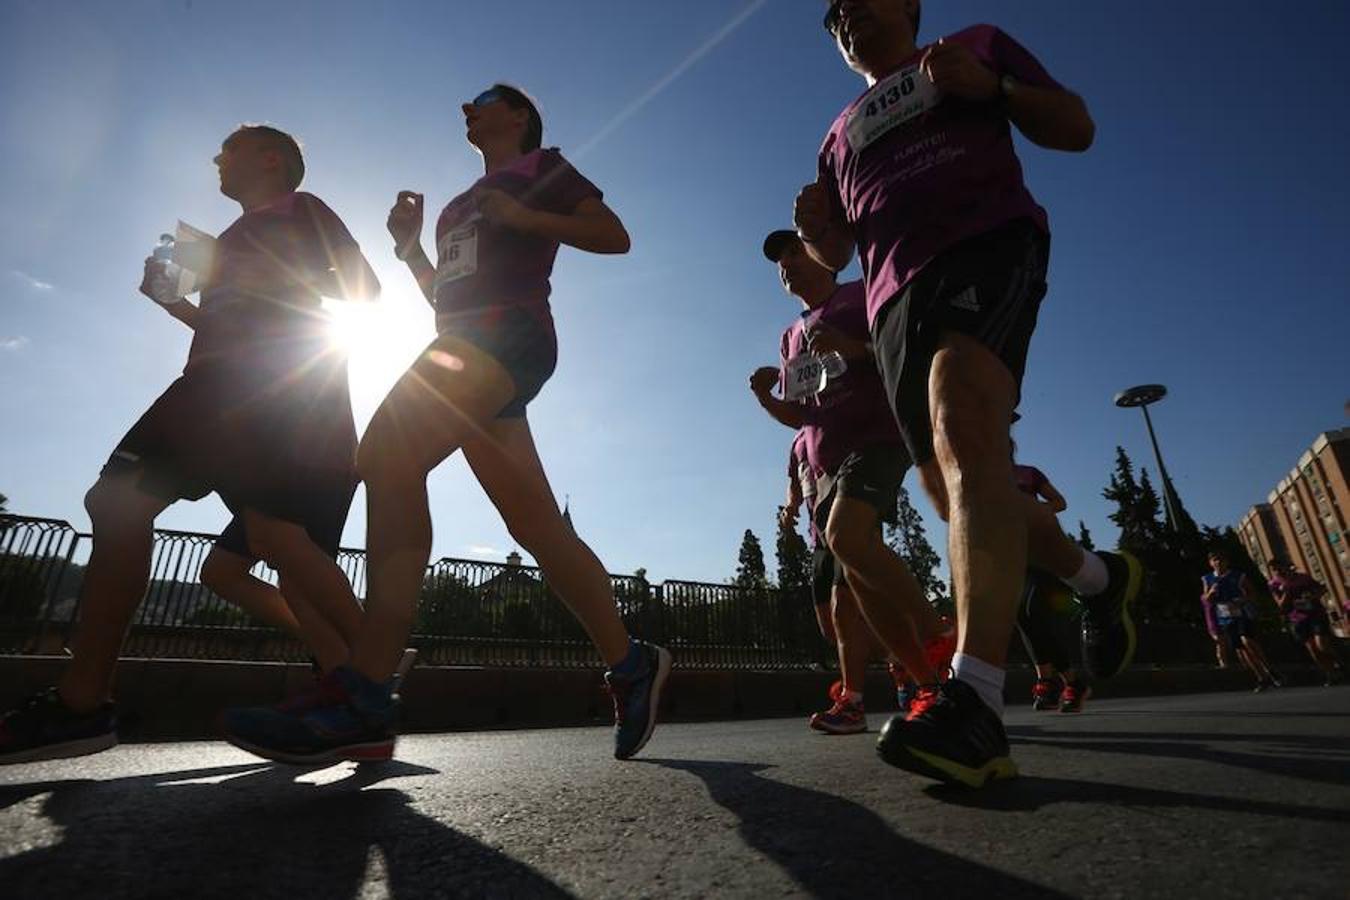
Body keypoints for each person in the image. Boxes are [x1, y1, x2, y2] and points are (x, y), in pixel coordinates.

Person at [221, 84, 669, 763]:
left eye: (485, 99)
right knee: (537, 527)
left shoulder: (544, 168)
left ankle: (365, 691)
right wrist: (408, 250)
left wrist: (524, 213)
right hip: (464, 340)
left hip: (510, 335)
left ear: (519, 114)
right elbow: (445, 300)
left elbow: (614, 237)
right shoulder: (457, 206)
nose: (469, 106)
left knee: (386, 455)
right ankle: (632, 661)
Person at [797, 0, 1139, 787]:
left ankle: (975, 700)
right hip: (893, 305)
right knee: (957, 486)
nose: (847, 13)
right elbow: (838, 246)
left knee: (961, 418)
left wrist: (996, 90)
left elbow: (1075, 127)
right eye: (833, 14)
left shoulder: (973, 45)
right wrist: (817, 229)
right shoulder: (837, 133)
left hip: (984, 242)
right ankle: (1098, 577)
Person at [0, 125, 378, 764]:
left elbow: (362, 293)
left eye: (228, 149)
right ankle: (83, 701)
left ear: (270, 158)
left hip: (257, 386)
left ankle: (365, 685)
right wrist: (176, 304)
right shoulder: (228, 240)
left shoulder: (304, 210)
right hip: (213, 385)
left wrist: (268, 297)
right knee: (133, 508)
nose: (216, 159)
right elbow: (226, 323)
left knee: (258, 534)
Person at [751, 229, 954, 735]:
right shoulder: (790, 337)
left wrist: (854, 348)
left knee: (846, 540)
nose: (787, 265)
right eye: (779, 261)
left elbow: (905, 353)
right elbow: (800, 416)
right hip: (827, 466)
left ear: (822, 255)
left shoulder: (861, 294)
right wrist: (763, 396)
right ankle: (929, 683)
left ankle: (936, 632)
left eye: (795, 252)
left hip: (878, 439)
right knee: (859, 585)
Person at [1012, 462, 1090, 713]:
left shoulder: (1028, 474)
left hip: (1041, 550)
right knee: (1021, 615)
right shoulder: (982, 475)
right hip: (1009, 554)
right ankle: (1058, 681)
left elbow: (1059, 502)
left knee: (1034, 609)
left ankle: (1059, 680)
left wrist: (1033, 511)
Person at [1201, 551, 1280, 692]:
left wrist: (1243, 600)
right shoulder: (1207, 579)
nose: (1218, 562)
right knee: (1241, 650)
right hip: (1224, 617)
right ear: (1211, 563)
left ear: (1227, 562)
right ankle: (1261, 677)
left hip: (1241, 613)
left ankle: (1269, 668)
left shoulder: (1238, 575)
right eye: (1215, 560)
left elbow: (1252, 592)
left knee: (1247, 640)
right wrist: (1210, 594)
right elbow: (1205, 599)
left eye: (1221, 559)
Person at [1267, 559, 1342, 686]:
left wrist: (1313, 596)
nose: (1278, 571)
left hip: (1315, 613)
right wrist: (1285, 590)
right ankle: (1331, 674)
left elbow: (1321, 589)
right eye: (1275, 569)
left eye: (1280, 567)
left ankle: (1339, 660)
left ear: (1287, 566)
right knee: (1312, 648)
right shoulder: (1274, 584)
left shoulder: (1303, 577)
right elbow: (1280, 606)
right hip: (1297, 617)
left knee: (1321, 644)